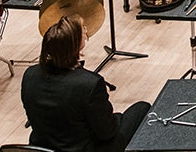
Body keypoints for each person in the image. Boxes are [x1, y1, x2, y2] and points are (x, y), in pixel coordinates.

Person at [22, 15, 150, 152]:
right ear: (76, 46)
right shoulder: (89, 84)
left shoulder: (30, 74)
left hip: (42, 147)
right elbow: (107, 133)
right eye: (83, 31)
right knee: (142, 108)